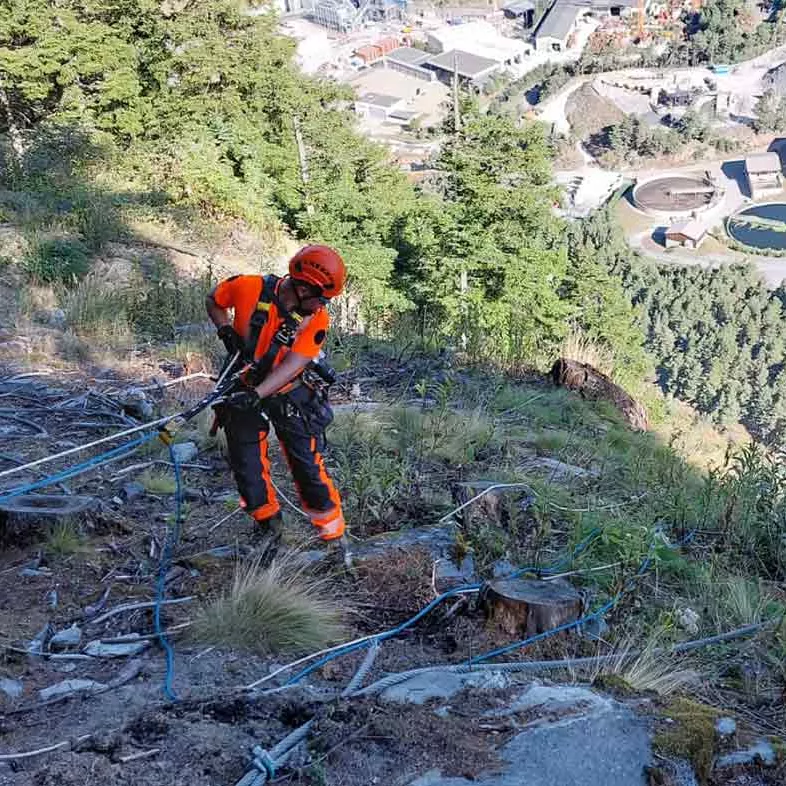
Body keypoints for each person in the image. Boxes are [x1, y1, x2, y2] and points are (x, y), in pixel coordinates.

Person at [205, 245, 347, 552]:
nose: (322, 305)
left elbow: (292, 366)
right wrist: (225, 329)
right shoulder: (248, 287)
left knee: (306, 465)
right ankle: (268, 525)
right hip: (242, 382)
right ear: (302, 287)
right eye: (321, 298)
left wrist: (256, 394)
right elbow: (214, 299)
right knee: (246, 462)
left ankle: (334, 538)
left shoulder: (316, 319)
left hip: (288, 391)